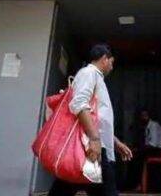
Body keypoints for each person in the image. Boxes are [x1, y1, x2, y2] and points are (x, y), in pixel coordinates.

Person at [48, 43, 133, 196]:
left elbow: (97, 118)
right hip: (91, 146)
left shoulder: (95, 77)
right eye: (111, 62)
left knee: (65, 187)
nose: (112, 67)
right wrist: (94, 139)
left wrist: (115, 141)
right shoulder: (89, 73)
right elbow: (79, 104)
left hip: (94, 145)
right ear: (105, 59)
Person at [130, 109, 161, 190]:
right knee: (133, 155)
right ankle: (136, 183)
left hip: (159, 150)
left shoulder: (153, 126)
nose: (143, 118)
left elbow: (153, 144)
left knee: (137, 157)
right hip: (153, 149)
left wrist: (139, 149)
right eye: (142, 116)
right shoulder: (146, 127)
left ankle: (139, 184)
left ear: (149, 116)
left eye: (145, 116)